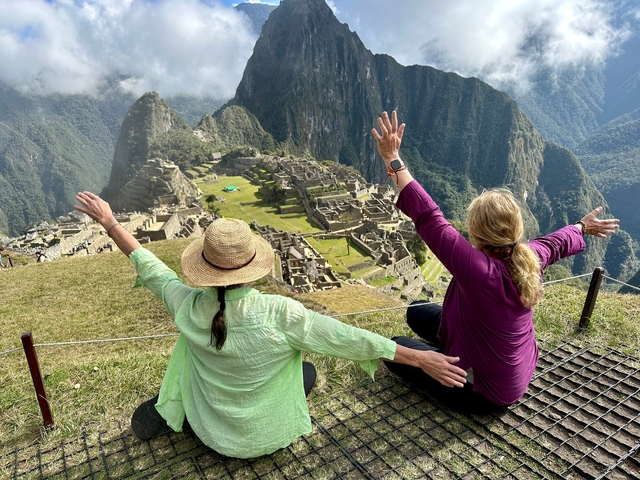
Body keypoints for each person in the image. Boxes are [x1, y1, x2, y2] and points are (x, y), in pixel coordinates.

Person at [74, 191, 468, 459]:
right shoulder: (281, 313)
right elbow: (348, 338)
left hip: (214, 438)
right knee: (307, 372)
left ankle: (177, 409)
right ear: (252, 269)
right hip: (270, 437)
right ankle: (188, 410)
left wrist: (110, 222)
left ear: (205, 270)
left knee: (195, 365)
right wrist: (417, 358)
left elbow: (149, 264)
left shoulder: (186, 304)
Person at [371, 111, 620, 414]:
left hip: (487, 391)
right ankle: (450, 351)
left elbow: (430, 218)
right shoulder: (529, 256)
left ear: (476, 233)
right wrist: (583, 226)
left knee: (394, 347)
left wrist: (394, 159)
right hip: (515, 371)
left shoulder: (479, 271)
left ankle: (447, 360)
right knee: (416, 311)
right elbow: (559, 242)